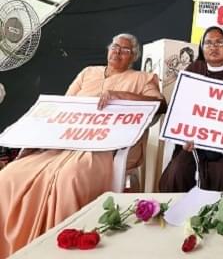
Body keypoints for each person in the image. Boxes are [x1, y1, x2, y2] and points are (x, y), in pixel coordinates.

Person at [0, 33, 165, 257]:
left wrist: (120, 95)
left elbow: (159, 104)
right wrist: (32, 144)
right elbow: (64, 108)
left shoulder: (142, 79)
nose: (117, 52)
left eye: (125, 50)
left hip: (107, 147)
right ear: (108, 50)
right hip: (66, 142)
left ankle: (61, 247)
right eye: (115, 47)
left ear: (133, 56)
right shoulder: (88, 73)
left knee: (70, 176)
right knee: (10, 175)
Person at [159, 26, 223, 192]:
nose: (213, 47)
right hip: (195, 145)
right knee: (179, 171)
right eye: (208, 43)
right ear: (202, 47)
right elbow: (181, 110)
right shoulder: (192, 72)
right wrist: (182, 138)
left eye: (219, 43)